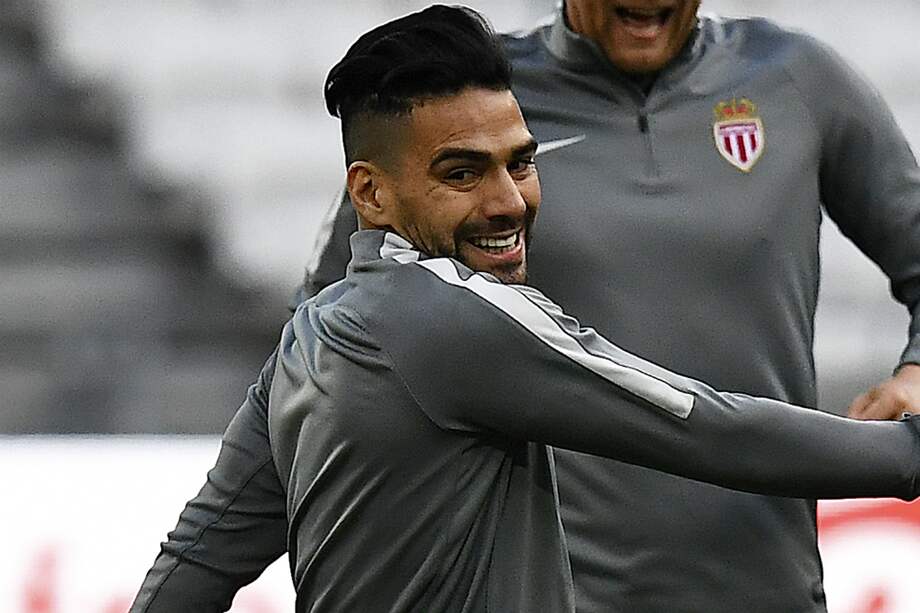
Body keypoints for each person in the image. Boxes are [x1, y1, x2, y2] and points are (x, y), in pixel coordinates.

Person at [129, 5, 920, 613]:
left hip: (761, 586)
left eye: (524, 162)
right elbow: (701, 424)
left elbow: (210, 540)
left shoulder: (317, 341)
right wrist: (907, 454)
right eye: (465, 173)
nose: (508, 201)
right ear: (369, 192)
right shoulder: (453, 312)